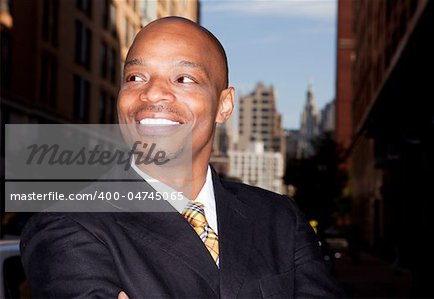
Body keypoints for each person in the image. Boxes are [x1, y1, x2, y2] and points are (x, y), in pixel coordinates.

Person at [20, 16, 344, 298]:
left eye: (183, 79)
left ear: (224, 105)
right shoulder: (67, 224)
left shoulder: (280, 219)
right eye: (136, 78)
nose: (152, 93)